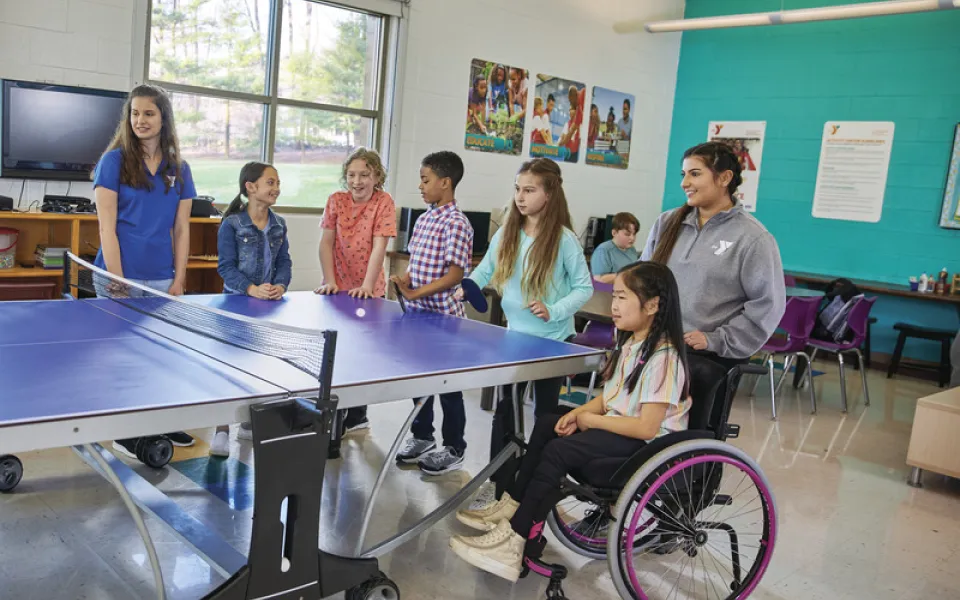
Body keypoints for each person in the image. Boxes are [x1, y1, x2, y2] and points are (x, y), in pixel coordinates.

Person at [450, 261, 691, 582]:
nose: (613, 305)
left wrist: (590, 421)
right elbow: (611, 398)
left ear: (652, 305)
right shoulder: (633, 344)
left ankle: (514, 541)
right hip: (625, 430)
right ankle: (515, 505)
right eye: (614, 296)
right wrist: (577, 414)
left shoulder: (664, 359)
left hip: (648, 446)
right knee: (551, 421)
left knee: (559, 451)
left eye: (622, 297)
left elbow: (646, 427)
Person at [466, 158, 593, 502]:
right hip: (515, 336)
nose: (520, 197)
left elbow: (584, 288)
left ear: (549, 194)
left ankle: (536, 477)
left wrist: (553, 309)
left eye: (529, 190)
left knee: (544, 412)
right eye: (517, 189)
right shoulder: (508, 231)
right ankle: (498, 480)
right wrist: (469, 284)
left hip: (552, 340)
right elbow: (485, 269)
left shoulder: (564, 239)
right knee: (505, 409)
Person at [93, 83, 197, 454]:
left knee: (159, 356)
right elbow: (106, 225)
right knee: (123, 357)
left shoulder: (179, 169)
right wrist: (116, 279)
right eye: (135, 113)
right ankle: (125, 430)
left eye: (148, 113)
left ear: (163, 118)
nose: (140, 120)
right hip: (119, 274)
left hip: (161, 277)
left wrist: (180, 277)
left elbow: (181, 228)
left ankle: (160, 424)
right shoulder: (113, 162)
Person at [641, 141, 785, 371]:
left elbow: (767, 306)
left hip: (706, 360)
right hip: (653, 347)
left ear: (724, 178)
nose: (684, 183)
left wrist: (716, 339)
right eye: (684, 174)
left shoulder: (754, 238)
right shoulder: (666, 223)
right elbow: (642, 282)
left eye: (695, 174)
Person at [391, 151, 474, 475]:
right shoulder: (424, 219)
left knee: (448, 387)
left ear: (445, 182)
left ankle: (454, 447)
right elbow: (415, 267)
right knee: (418, 381)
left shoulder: (457, 223)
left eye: (426, 180)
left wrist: (415, 292)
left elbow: (455, 276)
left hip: (445, 321)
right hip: (416, 316)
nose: (421, 186)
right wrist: (404, 281)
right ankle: (422, 436)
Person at [210, 162, 292, 457]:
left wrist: (280, 285)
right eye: (271, 182)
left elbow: (284, 262)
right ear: (251, 187)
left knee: (257, 368)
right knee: (229, 368)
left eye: (278, 182)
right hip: (236, 304)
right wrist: (251, 289)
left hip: (268, 308)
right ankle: (221, 431)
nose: (276, 188)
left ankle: (247, 422)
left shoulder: (279, 224)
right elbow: (226, 268)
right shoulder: (231, 224)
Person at [315, 148, 397, 434]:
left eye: (364, 174)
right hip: (338, 287)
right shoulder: (335, 201)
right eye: (351, 175)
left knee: (363, 353)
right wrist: (330, 279)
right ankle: (336, 406)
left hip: (368, 289)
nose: (357, 181)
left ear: (377, 176)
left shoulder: (383, 202)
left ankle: (358, 414)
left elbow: (379, 247)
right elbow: (326, 243)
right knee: (337, 352)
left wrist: (366, 285)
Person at [591, 212, 640, 284]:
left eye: (634, 234)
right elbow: (599, 279)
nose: (632, 238)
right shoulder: (603, 250)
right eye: (627, 234)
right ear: (614, 233)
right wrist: (628, 275)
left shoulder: (632, 249)